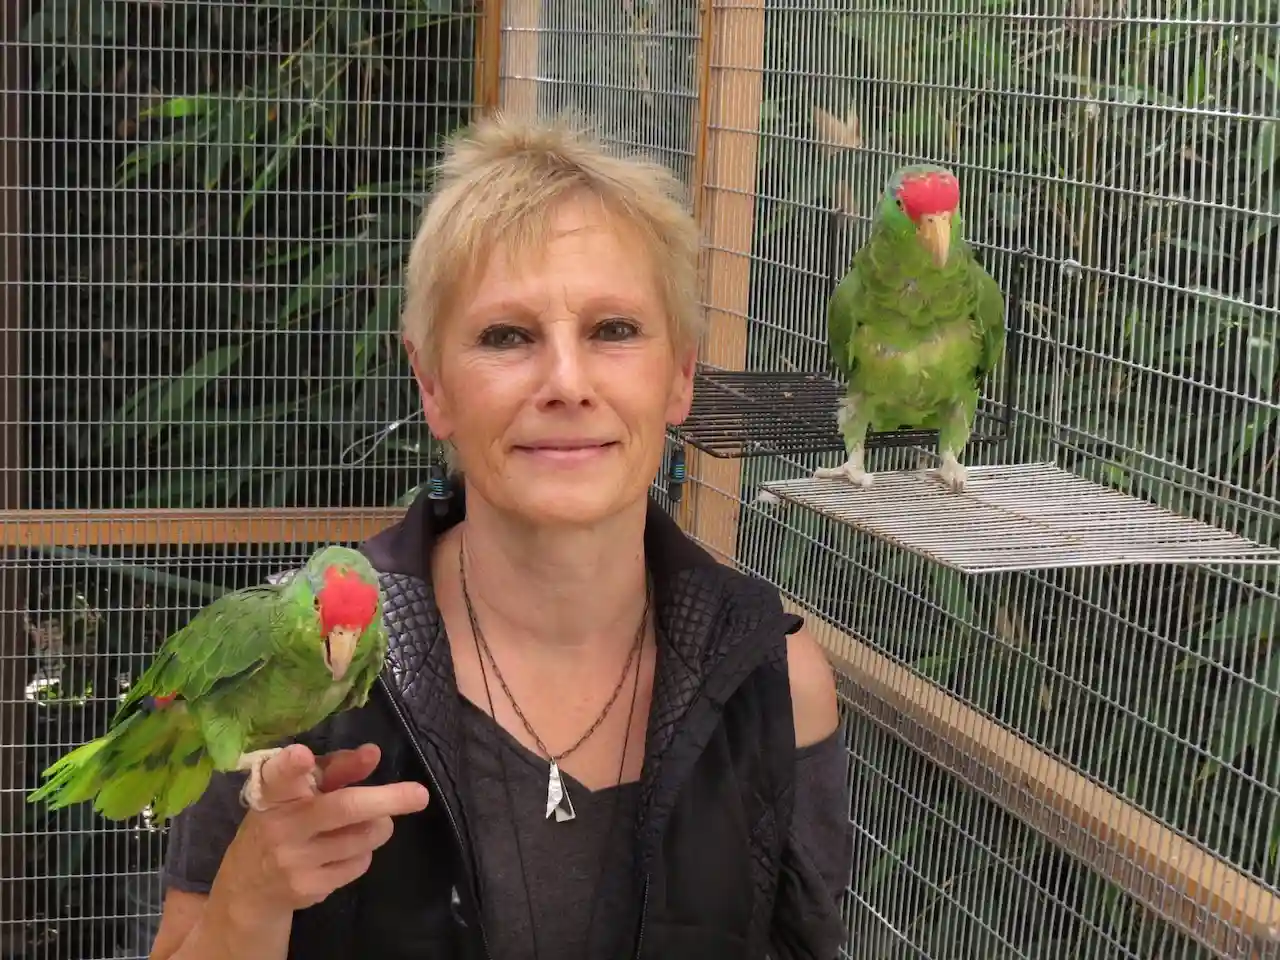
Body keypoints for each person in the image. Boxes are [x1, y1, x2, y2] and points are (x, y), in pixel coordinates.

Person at [147, 112, 854, 960]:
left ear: (680, 376)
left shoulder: (775, 679)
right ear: (433, 384)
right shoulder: (296, 674)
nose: (566, 381)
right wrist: (252, 893)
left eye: (614, 330)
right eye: (506, 337)